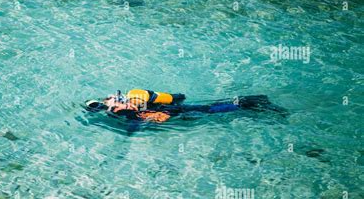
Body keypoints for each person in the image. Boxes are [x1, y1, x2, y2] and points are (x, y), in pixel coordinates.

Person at [85, 89, 287, 123]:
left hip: (172, 112)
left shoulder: (126, 108)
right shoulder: (128, 104)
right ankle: (248, 101)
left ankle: (251, 102)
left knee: (208, 110)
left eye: (114, 98)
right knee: (207, 108)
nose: (112, 98)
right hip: (170, 110)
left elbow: (149, 120)